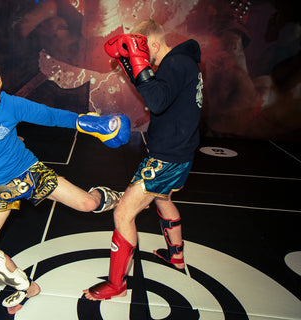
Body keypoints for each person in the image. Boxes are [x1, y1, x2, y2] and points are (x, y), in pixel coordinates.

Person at [0, 58, 130, 314]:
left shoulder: (9, 104)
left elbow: (50, 115)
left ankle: (117, 197)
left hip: (27, 172)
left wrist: (89, 124)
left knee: (87, 204)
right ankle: (26, 287)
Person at [83, 19, 203, 301]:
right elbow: (156, 94)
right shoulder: (184, 63)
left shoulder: (175, 64)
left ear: (154, 45)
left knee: (123, 214)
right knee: (163, 199)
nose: (138, 57)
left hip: (167, 157)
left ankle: (116, 285)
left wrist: (136, 62)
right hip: (180, 151)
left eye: (139, 50)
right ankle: (176, 258)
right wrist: (129, 64)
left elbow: (157, 103)